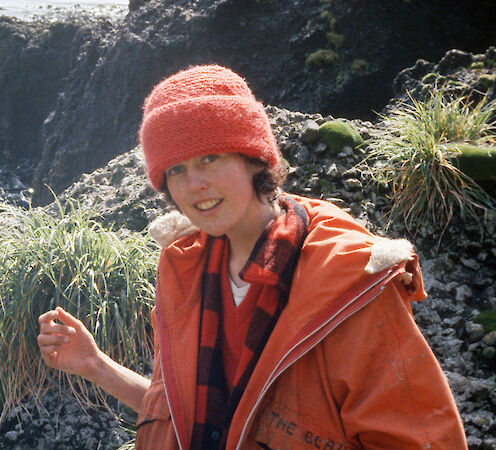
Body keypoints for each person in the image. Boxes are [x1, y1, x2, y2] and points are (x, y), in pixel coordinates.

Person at [36, 65, 466, 449]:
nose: (195, 184)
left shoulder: (350, 280)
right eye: (176, 169)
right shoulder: (184, 268)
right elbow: (197, 420)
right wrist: (96, 366)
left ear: (253, 157)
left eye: (210, 157)